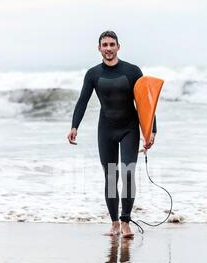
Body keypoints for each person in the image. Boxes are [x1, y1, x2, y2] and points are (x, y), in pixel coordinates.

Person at [67, 30, 156, 238]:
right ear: (99, 48)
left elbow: (146, 102)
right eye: (104, 45)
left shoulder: (133, 71)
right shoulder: (93, 74)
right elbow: (83, 101)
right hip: (106, 129)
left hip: (129, 128)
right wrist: (74, 126)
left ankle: (126, 221)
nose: (108, 48)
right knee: (110, 176)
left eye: (111, 44)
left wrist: (151, 129)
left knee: (127, 173)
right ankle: (114, 223)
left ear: (118, 47)